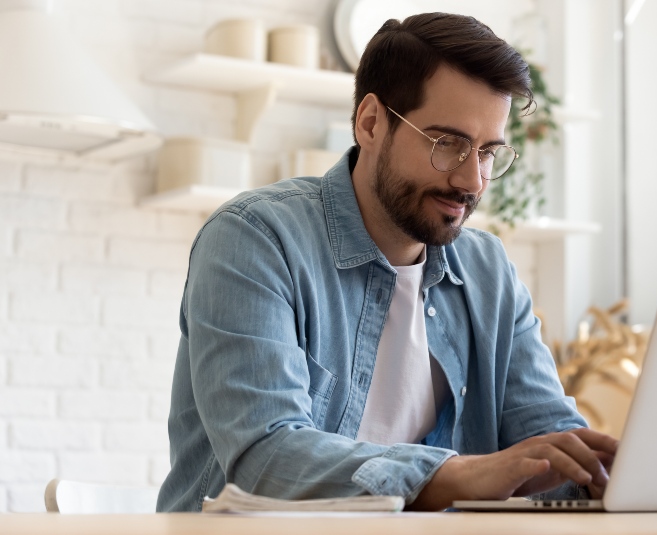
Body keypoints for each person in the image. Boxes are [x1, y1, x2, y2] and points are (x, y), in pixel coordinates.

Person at [157, 12, 618, 513]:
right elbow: (265, 458)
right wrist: (457, 474)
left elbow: (550, 441)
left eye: (487, 153)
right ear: (371, 122)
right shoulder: (255, 240)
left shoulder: (488, 272)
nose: (472, 182)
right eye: (448, 144)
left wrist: (606, 472)